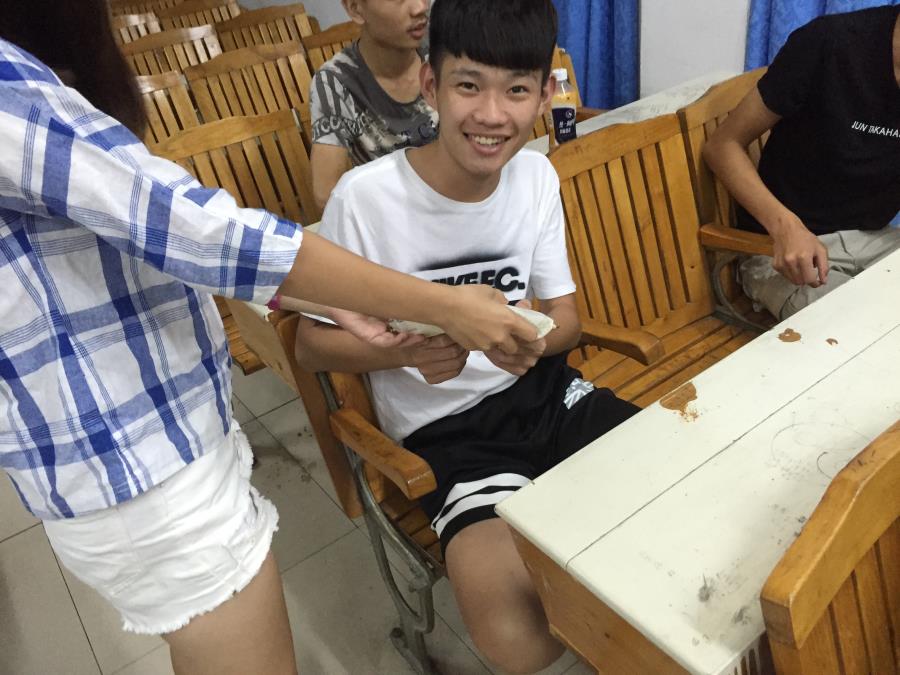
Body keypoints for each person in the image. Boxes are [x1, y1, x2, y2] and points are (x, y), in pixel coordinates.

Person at [0, 3, 537, 674]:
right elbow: (197, 232)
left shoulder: (531, 180)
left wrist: (337, 298)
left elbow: (142, 247)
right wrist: (444, 306)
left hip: (157, 437)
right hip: (137, 462)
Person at [293, 1, 640, 672]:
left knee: (682, 506)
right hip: (450, 437)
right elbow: (310, 345)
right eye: (469, 85)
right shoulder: (365, 200)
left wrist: (532, 344)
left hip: (550, 398)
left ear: (544, 96)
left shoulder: (535, 177)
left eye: (517, 90)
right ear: (432, 85)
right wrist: (407, 349)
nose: (492, 114)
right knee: (520, 635)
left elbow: (565, 320)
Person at [704, 5, 900, 320]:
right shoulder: (831, 42)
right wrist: (786, 227)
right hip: (777, 249)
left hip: (872, 239)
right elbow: (722, 146)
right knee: (860, 325)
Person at [308, 0, 437, 211]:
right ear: (355, 8)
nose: (420, 7)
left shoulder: (446, 50)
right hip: (393, 215)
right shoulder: (337, 81)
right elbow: (326, 195)